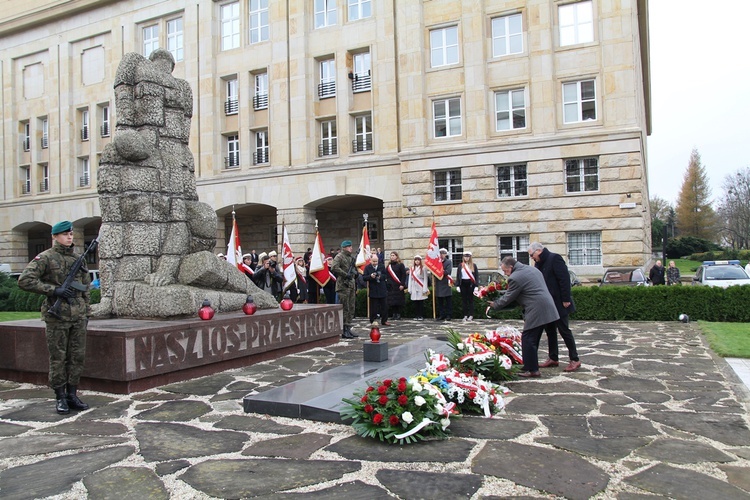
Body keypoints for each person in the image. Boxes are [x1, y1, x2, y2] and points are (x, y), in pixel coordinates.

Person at [18, 220, 92, 414]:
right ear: (55, 236)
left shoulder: (79, 258)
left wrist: (87, 312)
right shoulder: (45, 258)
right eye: (65, 234)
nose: (69, 237)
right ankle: (60, 397)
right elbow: (25, 280)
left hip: (78, 316)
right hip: (57, 316)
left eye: (71, 234)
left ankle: (72, 394)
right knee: (58, 358)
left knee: (77, 357)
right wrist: (54, 290)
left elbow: (85, 288)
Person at [486, 257, 559, 378]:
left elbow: (510, 296)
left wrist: (495, 304)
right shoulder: (532, 269)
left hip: (536, 309)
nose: (505, 274)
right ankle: (529, 365)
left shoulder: (515, 277)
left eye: (505, 271)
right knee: (533, 339)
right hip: (548, 306)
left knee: (528, 338)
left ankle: (533, 370)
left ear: (511, 267)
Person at [529, 242, 581, 372]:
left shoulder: (555, 258)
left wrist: (566, 299)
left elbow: (564, 279)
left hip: (559, 302)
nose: (532, 258)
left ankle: (575, 359)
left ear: (539, 251)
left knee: (564, 330)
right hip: (547, 303)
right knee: (550, 330)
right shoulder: (538, 263)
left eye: (532, 255)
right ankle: (553, 358)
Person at [331, 240, 358, 339]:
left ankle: (348, 327)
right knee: (345, 308)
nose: (351, 248)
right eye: (349, 246)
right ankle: (343, 329)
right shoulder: (339, 256)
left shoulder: (351, 257)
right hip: (343, 285)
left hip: (351, 285)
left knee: (351, 307)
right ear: (345, 247)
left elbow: (354, 269)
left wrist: (354, 273)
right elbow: (334, 267)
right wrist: (345, 274)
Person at [363, 254, 388, 325]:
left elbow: (385, 275)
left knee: (384, 306)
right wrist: (370, 276)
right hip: (373, 289)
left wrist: (380, 276)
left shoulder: (381, 266)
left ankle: (384, 320)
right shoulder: (367, 267)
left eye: (376, 261)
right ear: (370, 261)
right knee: (373, 307)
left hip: (382, 289)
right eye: (373, 261)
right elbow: (364, 277)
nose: (375, 263)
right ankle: (373, 320)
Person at [456, 251, 479, 322]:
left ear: (470, 257)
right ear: (463, 257)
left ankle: (471, 315)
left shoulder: (473, 265)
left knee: (470, 300)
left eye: (468, 257)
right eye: (465, 257)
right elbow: (458, 276)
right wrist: (458, 285)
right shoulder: (460, 265)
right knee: (464, 300)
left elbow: (476, 276)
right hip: (463, 283)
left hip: (470, 283)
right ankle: (465, 315)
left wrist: (476, 286)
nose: (466, 258)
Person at [386, 251, 407, 320]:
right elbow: (387, 275)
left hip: (398, 285)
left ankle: (398, 314)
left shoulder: (400, 265)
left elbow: (403, 275)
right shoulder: (389, 266)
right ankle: (394, 314)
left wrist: (402, 284)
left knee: (398, 301)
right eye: (391, 255)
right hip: (391, 286)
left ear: (396, 256)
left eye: (393, 255)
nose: (392, 257)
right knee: (392, 301)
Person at [407, 255, 430, 320]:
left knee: (421, 302)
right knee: (415, 302)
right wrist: (410, 288)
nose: (417, 261)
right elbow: (410, 279)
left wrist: (425, 288)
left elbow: (425, 279)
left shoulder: (423, 268)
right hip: (414, 286)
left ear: (420, 261)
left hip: (421, 286)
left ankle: (421, 315)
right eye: (416, 260)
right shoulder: (412, 268)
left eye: (418, 260)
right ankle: (416, 315)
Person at [435, 248, 453, 321]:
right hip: (439, 283)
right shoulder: (436, 262)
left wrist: (438, 271)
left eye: (443, 253)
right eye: (440, 253)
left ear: (446, 254)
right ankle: (441, 315)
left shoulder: (448, 262)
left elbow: (447, 271)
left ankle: (449, 315)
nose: (441, 255)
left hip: (446, 283)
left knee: (448, 301)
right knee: (440, 301)